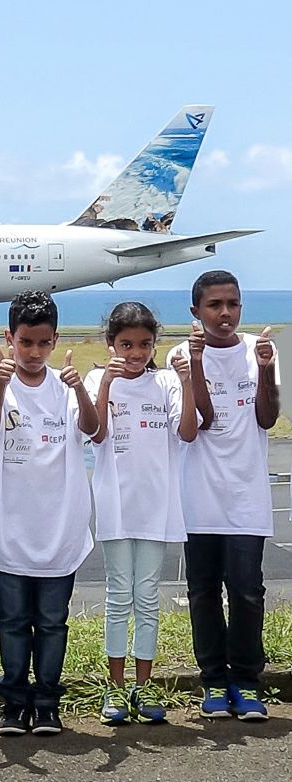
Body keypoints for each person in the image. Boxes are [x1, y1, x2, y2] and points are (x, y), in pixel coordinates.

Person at [0, 290, 98, 737]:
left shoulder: (65, 388)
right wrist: (3, 385)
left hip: (58, 524)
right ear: (10, 338)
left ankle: (46, 701)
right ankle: (13, 701)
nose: (32, 352)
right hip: (10, 524)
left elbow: (92, 428)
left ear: (54, 341)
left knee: (51, 621)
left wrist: (80, 386)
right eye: (25, 342)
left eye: (42, 344)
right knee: (11, 621)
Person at [166, 270, 279, 721]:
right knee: (203, 591)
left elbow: (268, 419)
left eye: (233, 304)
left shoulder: (263, 351)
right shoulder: (179, 354)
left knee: (248, 591)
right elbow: (203, 422)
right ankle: (213, 680)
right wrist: (195, 363)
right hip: (200, 496)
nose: (225, 313)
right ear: (196, 312)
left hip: (247, 496)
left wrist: (268, 371)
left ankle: (248, 683)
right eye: (215, 305)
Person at [85, 302, 196, 725]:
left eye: (145, 345)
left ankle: (144, 688)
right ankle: (114, 690)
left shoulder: (165, 381)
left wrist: (186, 383)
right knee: (118, 597)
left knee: (147, 597)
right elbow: (96, 431)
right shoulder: (100, 378)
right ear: (110, 343)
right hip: (115, 505)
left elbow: (186, 431)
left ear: (155, 344)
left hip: (157, 506)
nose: (135, 353)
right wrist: (106, 386)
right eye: (126, 344)